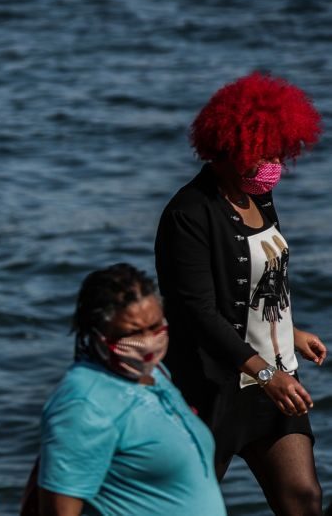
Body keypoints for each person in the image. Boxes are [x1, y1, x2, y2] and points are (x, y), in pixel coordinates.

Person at [155, 72, 325, 515]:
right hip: (214, 385)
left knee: (303, 498)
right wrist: (266, 375)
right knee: (188, 505)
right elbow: (198, 311)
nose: (272, 164)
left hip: (274, 377)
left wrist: (290, 331)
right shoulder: (187, 214)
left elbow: (259, 282)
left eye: (278, 151)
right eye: (262, 153)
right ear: (230, 148)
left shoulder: (259, 197)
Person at [37, 264, 226, 516]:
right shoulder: (84, 404)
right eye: (133, 333)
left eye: (155, 327)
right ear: (98, 334)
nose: (149, 342)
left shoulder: (154, 373)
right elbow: (59, 511)